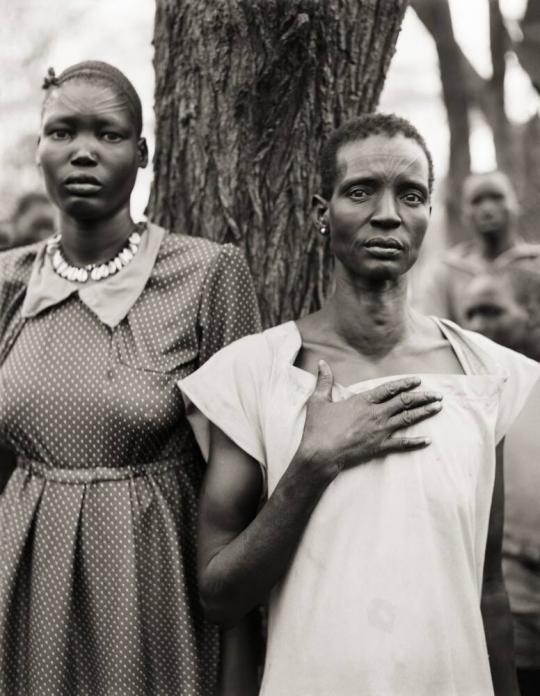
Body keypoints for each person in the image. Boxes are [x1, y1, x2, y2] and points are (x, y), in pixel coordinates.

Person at [179, 113, 540, 695]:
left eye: (411, 195)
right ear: (323, 213)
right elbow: (220, 597)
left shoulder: (484, 372)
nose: (388, 213)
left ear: (427, 215)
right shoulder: (256, 373)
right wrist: (312, 465)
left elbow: (487, 587)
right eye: (361, 191)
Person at [0, 61, 261, 696]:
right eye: (62, 132)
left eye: (108, 134)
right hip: (24, 577)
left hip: (152, 584)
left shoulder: (207, 276)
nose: (82, 151)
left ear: (142, 153)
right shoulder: (8, 284)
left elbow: (246, 484)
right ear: (39, 149)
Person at [463, 269, 540, 696]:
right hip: (500, 632)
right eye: (469, 313)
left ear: (532, 314)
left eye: (491, 310)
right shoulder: (464, 401)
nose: (476, 325)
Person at [417, 170, 540, 325]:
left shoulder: (536, 263)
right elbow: (433, 332)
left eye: (497, 197)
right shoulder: (446, 271)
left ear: (516, 203)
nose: (487, 209)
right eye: (477, 201)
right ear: (464, 213)